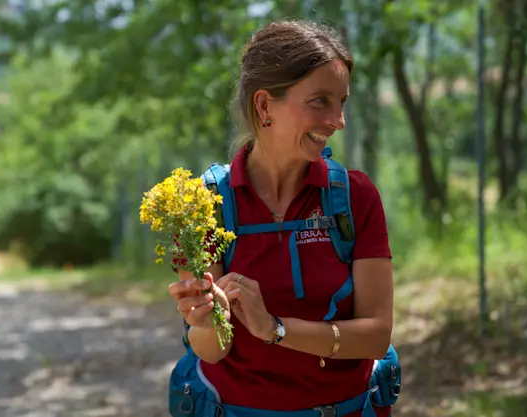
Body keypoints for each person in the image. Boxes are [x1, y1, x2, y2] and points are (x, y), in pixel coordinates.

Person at [166, 19, 398, 417]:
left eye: (342, 102)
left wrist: (274, 328)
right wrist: (204, 323)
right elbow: (212, 351)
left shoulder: (354, 197)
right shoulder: (203, 203)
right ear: (264, 105)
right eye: (320, 101)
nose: (338, 120)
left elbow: (376, 336)